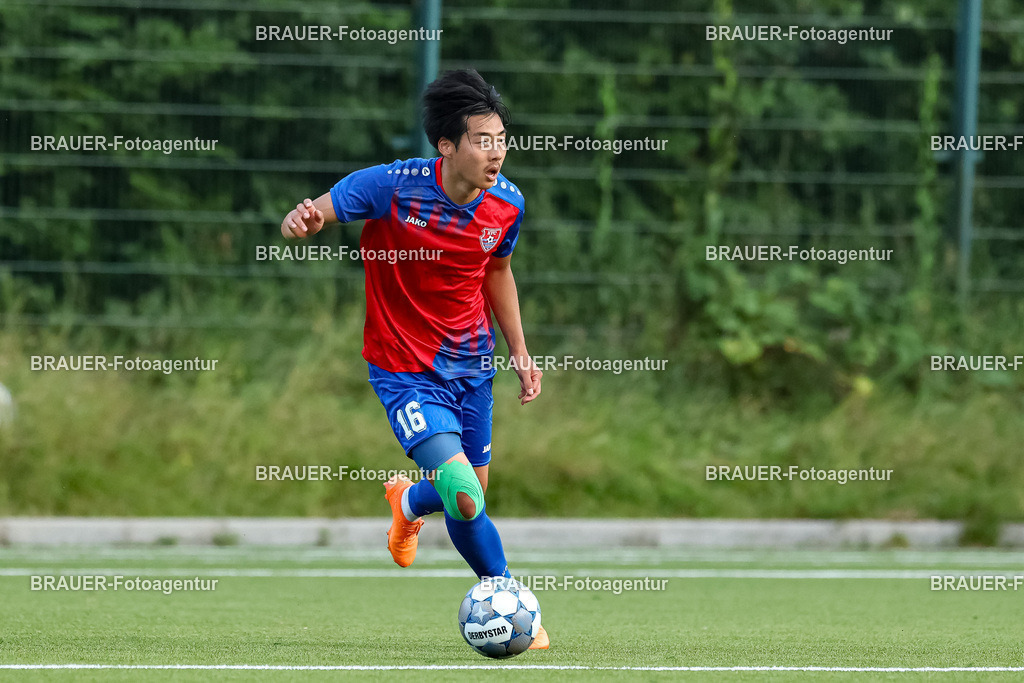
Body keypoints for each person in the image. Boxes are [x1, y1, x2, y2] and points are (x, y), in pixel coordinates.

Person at [279, 69, 548, 650]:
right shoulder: (390, 187)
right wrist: (301, 219)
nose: (496, 152)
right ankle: (509, 600)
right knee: (465, 494)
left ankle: (407, 500)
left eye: (502, 139)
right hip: (403, 369)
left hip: (473, 369)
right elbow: (317, 211)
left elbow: (498, 272)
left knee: (465, 495)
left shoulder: (507, 204)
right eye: (483, 140)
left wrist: (521, 352)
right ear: (446, 145)